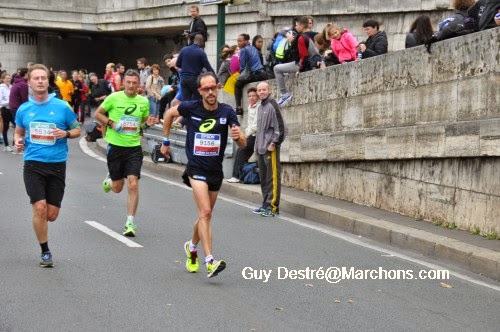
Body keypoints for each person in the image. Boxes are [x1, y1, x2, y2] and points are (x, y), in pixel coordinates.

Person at [160, 72, 246, 278]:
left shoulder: (227, 111)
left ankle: (192, 247)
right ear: (200, 91)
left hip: (215, 171)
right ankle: (209, 261)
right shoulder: (191, 107)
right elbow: (169, 114)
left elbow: (242, 142)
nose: (210, 92)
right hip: (196, 168)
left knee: (204, 216)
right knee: (205, 212)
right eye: (206, 89)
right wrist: (165, 141)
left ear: (217, 88)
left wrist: (238, 138)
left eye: (213, 88)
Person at [13, 64, 81, 267]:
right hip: (33, 164)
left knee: (51, 214)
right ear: (29, 82)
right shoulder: (24, 109)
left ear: (48, 81)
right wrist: (18, 141)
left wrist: (66, 134)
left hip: (57, 165)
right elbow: (18, 131)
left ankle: (45, 242)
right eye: (36, 78)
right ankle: (45, 251)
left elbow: (77, 130)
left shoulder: (62, 107)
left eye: (43, 78)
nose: (40, 81)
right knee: (40, 209)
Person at [94, 69, 156, 237]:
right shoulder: (113, 98)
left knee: (133, 183)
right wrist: (111, 123)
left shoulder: (143, 102)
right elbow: (98, 114)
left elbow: (142, 122)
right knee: (117, 188)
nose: (130, 85)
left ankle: (130, 222)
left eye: (134, 83)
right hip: (115, 147)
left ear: (138, 85)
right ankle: (110, 178)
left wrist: (148, 123)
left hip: (134, 148)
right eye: (128, 82)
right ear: (123, 83)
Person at [252, 81, 287, 217]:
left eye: (263, 90)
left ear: (269, 90)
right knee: (264, 177)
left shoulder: (273, 105)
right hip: (260, 147)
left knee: (272, 177)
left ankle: (273, 207)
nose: (261, 92)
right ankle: (265, 204)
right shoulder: (260, 106)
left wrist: (274, 143)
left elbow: (281, 128)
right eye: (259, 90)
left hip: (270, 148)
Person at [273, 16, 311, 107]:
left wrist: (300, 68)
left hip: (300, 64)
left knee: (276, 69)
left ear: (301, 26)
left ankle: (284, 94)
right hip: (302, 63)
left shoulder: (301, 37)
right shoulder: (307, 35)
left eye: (297, 25)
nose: (296, 27)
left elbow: (304, 55)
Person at [227, 87, 260, 183]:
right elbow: (250, 123)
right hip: (250, 134)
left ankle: (236, 176)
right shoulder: (250, 106)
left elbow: (256, 124)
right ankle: (239, 175)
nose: (251, 98)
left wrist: (246, 134)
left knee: (242, 153)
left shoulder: (259, 107)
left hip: (255, 136)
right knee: (239, 152)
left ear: (257, 96)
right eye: (249, 96)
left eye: (253, 96)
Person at [234, 33, 267, 115]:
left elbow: (242, 66)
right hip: (262, 74)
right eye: (238, 41)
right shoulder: (253, 48)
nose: (238, 43)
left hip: (254, 75)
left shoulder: (243, 50)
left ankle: (238, 108)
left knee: (237, 85)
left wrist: (240, 76)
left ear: (246, 41)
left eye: (240, 41)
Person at [175, 34, 215, 101]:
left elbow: (178, 64)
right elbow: (208, 67)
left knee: (186, 101)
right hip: (194, 79)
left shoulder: (184, 50)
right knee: (199, 99)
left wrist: (186, 66)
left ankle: (186, 111)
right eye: (203, 42)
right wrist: (216, 79)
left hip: (184, 79)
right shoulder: (201, 52)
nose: (204, 44)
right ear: (200, 40)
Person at [0, 72, 14, 151]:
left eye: (9, 78)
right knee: (6, 127)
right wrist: (10, 101)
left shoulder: (11, 87)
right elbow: (0, 102)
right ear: (3, 79)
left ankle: (16, 143)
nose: (9, 79)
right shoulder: (1, 88)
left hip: (12, 109)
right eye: (7, 78)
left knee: (17, 124)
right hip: (5, 109)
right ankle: (6, 145)